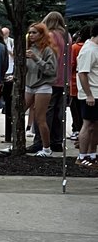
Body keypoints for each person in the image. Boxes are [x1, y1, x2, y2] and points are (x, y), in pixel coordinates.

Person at [24, 22, 58, 157]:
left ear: (41, 34)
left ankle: (46, 148)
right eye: (30, 32)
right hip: (29, 84)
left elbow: (51, 70)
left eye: (34, 32)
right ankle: (17, 144)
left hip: (43, 85)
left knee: (40, 118)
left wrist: (36, 58)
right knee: (19, 113)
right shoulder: (28, 48)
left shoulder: (48, 50)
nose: (31, 35)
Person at [42, 10, 71, 153]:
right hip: (64, 79)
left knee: (47, 111)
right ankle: (57, 141)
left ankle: (44, 141)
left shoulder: (50, 36)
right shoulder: (68, 36)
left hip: (51, 79)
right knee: (60, 112)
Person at [74, 22, 98, 167]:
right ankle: (82, 156)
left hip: (97, 92)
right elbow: (82, 73)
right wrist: (88, 94)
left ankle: (92, 154)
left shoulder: (95, 48)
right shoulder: (88, 50)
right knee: (88, 124)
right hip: (91, 93)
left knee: (96, 125)